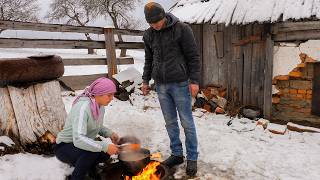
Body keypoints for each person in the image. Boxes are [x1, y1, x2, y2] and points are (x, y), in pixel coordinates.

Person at [142, 2, 200, 177]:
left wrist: (194, 80)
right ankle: (176, 154)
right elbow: (148, 59)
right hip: (161, 85)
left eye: (157, 22)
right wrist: (145, 80)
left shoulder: (182, 29)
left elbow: (193, 57)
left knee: (186, 122)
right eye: (151, 23)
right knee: (170, 122)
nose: (155, 25)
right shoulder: (148, 35)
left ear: (164, 16)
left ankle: (192, 157)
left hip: (180, 83)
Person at [54, 77, 120, 180]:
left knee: (104, 153)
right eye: (109, 95)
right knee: (92, 152)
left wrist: (109, 133)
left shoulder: (100, 106)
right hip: (64, 147)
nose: (112, 98)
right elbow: (79, 139)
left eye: (113, 95)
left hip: (79, 144)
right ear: (99, 93)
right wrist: (105, 146)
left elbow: (96, 126)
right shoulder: (83, 108)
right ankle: (77, 177)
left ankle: (90, 170)